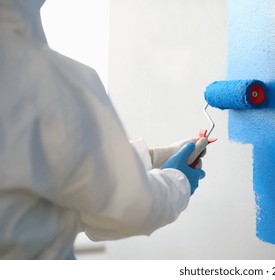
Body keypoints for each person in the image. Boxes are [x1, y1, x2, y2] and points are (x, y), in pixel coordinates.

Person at [0, 0, 208, 259]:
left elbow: (48, 172)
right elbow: (127, 208)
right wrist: (177, 181)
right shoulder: (49, 80)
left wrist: (152, 156)